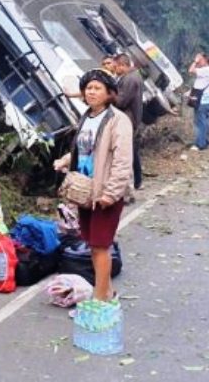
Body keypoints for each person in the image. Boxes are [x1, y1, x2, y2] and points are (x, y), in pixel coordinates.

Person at [53, 69, 133, 302]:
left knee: (100, 246)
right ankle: (108, 292)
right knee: (93, 245)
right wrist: (65, 160)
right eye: (88, 87)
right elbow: (84, 149)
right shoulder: (87, 117)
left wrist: (111, 194)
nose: (91, 91)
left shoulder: (118, 121)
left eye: (97, 88)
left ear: (110, 93)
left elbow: (122, 160)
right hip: (86, 192)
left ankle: (100, 302)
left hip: (105, 194)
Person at [112, 53, 144, 194]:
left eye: (116, 67)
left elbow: (121, 101)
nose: (114, 70)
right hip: (132, 119)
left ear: (122, 65)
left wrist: (109, 96)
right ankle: (137, 180)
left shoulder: (130, 79)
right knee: (132, 151)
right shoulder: (132, 76)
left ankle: (129, 186)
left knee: (126, 154)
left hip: (128, 119)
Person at [188, 52, 209, 151]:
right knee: (206, 121)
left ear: (205, 61)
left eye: (201, 60)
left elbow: (191, 70)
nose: (200, 62)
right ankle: (206, 141)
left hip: (202, 101)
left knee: (200, 122)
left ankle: (200, 144)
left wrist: (195, 61)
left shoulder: (206, 70)